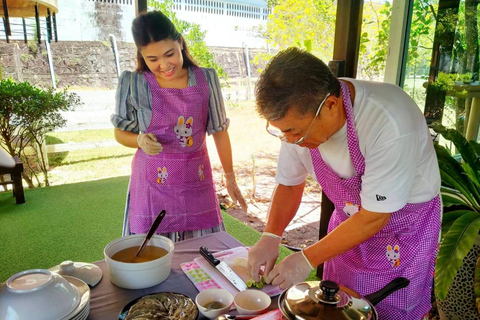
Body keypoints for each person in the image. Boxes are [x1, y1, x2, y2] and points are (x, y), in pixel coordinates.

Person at [247, 47, 440, 320]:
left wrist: (305, 258)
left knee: (388, 310)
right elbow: (290, 184)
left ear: (331, 105)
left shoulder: (389, 121)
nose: (291, 140)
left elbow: (374, 217)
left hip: (402, 231)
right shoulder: (296, 121)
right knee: (336, 304)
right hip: (347, 229)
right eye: (283, 131)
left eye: (295, 132)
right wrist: (271, 236)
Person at [111, 10, 247, 242]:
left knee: (202, 254)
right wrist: (139, 140)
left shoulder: (206, 79)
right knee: (151, 256)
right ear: (141, 55)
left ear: (180, 43)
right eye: (152, 59)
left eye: (169, 54)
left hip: (196, 180)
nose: (164, 65)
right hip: (152, 186)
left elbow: (219, 131)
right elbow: (120, 132)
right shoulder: (133, 83)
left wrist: (230, 176)